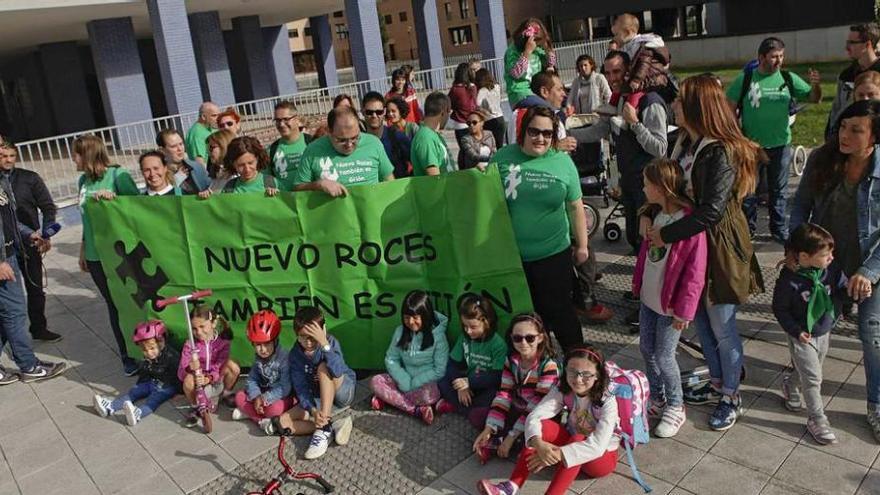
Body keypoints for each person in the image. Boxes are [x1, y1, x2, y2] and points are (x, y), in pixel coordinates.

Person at [650, 75, 763, 431]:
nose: (675, 105)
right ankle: (716, 384)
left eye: (681, 100)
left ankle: (731, 395)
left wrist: (664, 234)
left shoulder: (720, 149)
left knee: (722, 327)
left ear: (699, 105)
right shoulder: (683, 141)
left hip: (718, 246)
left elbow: (711, 210)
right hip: (691, 244)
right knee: (700, 322)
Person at [789, 99, 880, 442]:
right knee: (814, 332)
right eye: (843, 126)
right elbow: (799, 208)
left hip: (870, 267)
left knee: (872, 334)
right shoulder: (821, 160)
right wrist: (800, 249)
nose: (845, 135)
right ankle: (796, 379)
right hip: (825, 268)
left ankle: (876, 406)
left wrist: (869, 271)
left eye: (856, 130)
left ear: (874, 137)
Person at [489, 106, 588, 352]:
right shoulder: (502, 158)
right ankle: (535, 372)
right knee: (524, 322)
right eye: (534, 131)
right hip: (512, 259)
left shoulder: (563, 163)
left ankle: (579, 364)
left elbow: (576, 206)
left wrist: (583, 246)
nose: (540, 138)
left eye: (547, 133)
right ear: (523, 130)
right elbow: (483, 201)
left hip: (553, 255)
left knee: (561, 314)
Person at [632, 158, 708, 438]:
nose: (642, 187)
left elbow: (695, 273)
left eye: (647, 183)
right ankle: (658, 398)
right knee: (646, 349)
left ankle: (676, 405)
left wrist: (684, 311)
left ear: (661, 188)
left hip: (670, 306)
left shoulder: (687, 224)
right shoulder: (657, 214)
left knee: (665, 356)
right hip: (649, 298)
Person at [477, 346, 618, 495]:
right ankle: (511, 487)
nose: (578, 379)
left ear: (597, 375)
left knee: (578, 438)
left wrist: (559, 454)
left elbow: (598, 446)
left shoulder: (608, 401)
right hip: (572, 443)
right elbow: (535, 416)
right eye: (572, 371)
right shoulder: (563, 388)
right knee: (542, 426)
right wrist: (538, 444)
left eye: (586, 374)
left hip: (600, 458)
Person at [570, 50, 669, 254]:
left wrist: (635, 124)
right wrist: (567, 134)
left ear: (629, 71)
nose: (612, 78)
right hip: (630, 182)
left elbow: (660, 148)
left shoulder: (650, 102)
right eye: (608, 73)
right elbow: (600, 130)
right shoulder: (622, 100)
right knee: (633, 238)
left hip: (648, 185)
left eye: (617, 71)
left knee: (648, 243)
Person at [725, 37, 821, 243]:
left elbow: (813, 98)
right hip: (751, 146)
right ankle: (748, 229)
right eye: (774, 56)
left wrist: (816, 86)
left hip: (781, 144)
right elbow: (729, 106)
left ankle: (778, 229)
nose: (779, 61)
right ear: (761, 57)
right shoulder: (747, 78)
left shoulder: (787, 78)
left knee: (779, 191)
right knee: (748, 190)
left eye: (781, 56)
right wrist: (738, 137)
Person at [772, 224, 846, 445]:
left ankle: (790, 384)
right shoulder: (788, 280)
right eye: (825, 255)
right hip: (801, 335)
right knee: (813, 377)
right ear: (804, 256)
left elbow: (842, 289)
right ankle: (817, 419)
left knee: (811, 370)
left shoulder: (830, 270)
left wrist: (854, 291)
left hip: (824, 330)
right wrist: (795, 331)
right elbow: (780, 309)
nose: (831, 258)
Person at [0, 138, 64, 385]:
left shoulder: (8, 182)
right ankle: (29, 366)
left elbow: (9, 223)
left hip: (17, 252)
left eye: (9, 154)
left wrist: (31, 234)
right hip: (5, 260)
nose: (6, 159)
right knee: (14, 314)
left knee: (8, 314)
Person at [75, 135, 141, 375]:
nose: (74, 158)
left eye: (77, 154)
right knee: (113, 306)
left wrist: (115, 202)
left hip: (119, 254)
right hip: (95, 256)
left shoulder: (117, 176)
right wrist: (83, 247)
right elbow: (86, 218)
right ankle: (127, 355)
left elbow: (137, 208)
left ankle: (149, 349)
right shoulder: (82, 180)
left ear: (89, 154)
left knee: (131, 303)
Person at [473, 313, 560, 465]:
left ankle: (504, 441)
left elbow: (536, 407)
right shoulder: (511, 360)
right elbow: (504, 393)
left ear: (540, 338)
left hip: (539, 414)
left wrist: (511, 436)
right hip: (518, 407)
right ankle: (501, 438)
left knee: (534, 430)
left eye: (530, 338)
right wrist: (489, 427)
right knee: (477, 416)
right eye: (517, 338)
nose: (523, 343)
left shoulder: (548, 366)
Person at [273, 306, 355, 460]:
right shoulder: (295, 355)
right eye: (304, 337)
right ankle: (328, 427)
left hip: (342, 390)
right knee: (281, 422)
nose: (309, 342)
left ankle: (323, 426)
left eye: (313, 337)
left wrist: (324, 344)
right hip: (319, 397)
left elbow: (337, 371)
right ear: (297, 335)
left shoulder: (330, 342)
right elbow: (301, 389)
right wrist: (312, 411)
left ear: (322, 330)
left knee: (323, 368)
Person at [369, 290, 449, 425]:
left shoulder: (438, 337)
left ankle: (391, 399)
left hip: (426, 384)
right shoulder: (400, 332)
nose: (411, 322)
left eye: (416, 317)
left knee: (427, 394)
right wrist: (403, 378)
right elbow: (391, 358)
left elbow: (440, 369)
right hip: (404, 381)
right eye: (406, 317)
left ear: (426, 315)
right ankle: (416, 411)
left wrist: (417, 381)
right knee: (376, 381)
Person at [436, 294, 507, 428]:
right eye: (465, 326)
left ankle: (459, 408)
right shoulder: (465, 337)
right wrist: (460, 386)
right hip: (466, 383)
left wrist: (469, 382)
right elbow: (452, 363)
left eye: (473, 327)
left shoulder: (498, 344)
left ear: (486, 321)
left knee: (494, 396)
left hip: (484, 385)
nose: (468, 331)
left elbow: (497, 377)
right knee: (442, 378)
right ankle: (467, 410)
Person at [93, 320, 181, 426]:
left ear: (161, 341)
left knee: (153, 401)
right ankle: (110, 407)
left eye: (152, 348)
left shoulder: (172, 357)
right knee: (133, 393)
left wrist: (180, 393)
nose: (148, 353)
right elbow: (145, 370)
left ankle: (138, 414)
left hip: (166, 387)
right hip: (151, 382)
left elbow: (179, 375)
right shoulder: (149, 356)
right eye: (144, 350)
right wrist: (140, 384)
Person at [294, 107, 394, 197]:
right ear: (329, 131)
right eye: (342, 140)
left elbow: (389, 181)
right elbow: (297, 189)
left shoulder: (373, 143)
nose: (349, 145)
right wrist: (318, 185)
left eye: (355, 138)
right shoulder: (313, 150)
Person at [178, 305, 240, 428]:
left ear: (213, 323)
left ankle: (225, 394)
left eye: (202, 326)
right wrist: (190, 368)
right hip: (199, 381)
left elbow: (220, 364)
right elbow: (181, 372)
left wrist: (210, 378)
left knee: (233, 366)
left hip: (214, 379)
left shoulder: (223, 342)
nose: (199, 332)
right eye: (194, 329)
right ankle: (196, 407)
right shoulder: (190, 344)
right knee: (187, 381)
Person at [232, 310, 294, 433]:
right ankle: (261, 420)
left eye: (267, 344)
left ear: (275, 340)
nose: (263, 349)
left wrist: (264, 399)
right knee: (239, 396)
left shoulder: (284, 358)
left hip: (282, 396)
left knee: (274, 409)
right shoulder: (258, 358)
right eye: (258, 345)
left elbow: (285, 388)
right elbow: (252, 379)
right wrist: (256, 396)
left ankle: (251, 414)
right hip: (263, 395)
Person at [826, 23, 880, 140]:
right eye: (847, 43)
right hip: (847, 140)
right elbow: (837, 109)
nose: (847, 48)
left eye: (852, 43)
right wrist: (830, 136)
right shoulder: (846, 75)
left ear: (867, 44)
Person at [611, 13, 672, 108]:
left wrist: (636, 79)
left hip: (651, 79)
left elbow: (644, 63)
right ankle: (612, 106)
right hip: (643, 78)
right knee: (620, 89)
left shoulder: (642, 45)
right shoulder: (630, 46)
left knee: (634, 93)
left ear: (627, 32)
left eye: (616, 35)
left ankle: (631, 110)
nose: (614, 38)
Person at [200, 136, 279, 197]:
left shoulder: (271, 182)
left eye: (250, 163)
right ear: (233, 164)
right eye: (241, 165)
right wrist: (208, 198)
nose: (247, 169)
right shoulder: (229, 187)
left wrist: (277, 195)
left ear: (257, 159)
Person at [504, 18, 556, 108]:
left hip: (536, 92)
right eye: (535, 40)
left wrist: (547, 47)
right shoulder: (513, 51)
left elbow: (551, 63)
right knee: (545, 108)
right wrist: (527, 52)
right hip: (521, 93)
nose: (535, 44)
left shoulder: (537, 50)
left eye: (538, 41)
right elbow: (516, 73)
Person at [361, 92, 412, 179]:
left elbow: (418, 163)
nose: (374, 116)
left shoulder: (398, 138)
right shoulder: (358, 142)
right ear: (363, 112)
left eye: (379, 112)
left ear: (384, 111)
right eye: (369, 112)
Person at [265, 101, 311, 191]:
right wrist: (270, 186)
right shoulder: (271, 151)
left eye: (286, 119)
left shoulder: (312, 142)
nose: (281, 124)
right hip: (285, 203)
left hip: (311, 201)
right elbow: (267, 178)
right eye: (278, 120)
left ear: (297, 120)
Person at [411, 92, 456, 176]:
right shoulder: (425, 138)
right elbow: (434, 176)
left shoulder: (433, 134)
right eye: (449, 112)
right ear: (443, 112)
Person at [155, 129, 210, 194]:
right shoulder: (157, 174)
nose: (180, 149)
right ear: (162, 150)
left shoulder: (197, 167)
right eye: (173, 146)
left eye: (181, 144)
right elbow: (158, 197)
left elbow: (211, 189)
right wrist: (176, 180)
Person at [449, 63, 478, 147]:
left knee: (464, 151)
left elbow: (450, 104)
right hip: (473, 122)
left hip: (460, 124)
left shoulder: (455, 89)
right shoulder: (473, 87)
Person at [476, 68, 506, 147]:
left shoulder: (482, 90)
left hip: (489, 120)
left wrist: (483, 110)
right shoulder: (497, 86)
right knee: (500, 145)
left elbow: (476, 104)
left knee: (489, 146)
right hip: (500, 118)